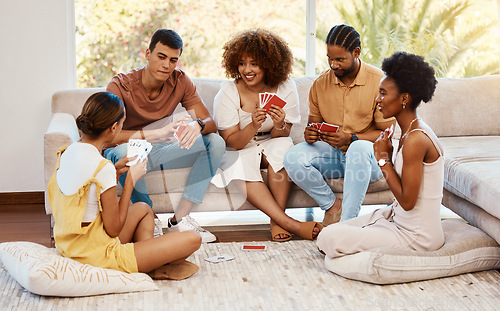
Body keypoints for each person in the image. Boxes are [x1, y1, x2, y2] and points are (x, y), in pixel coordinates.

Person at [48, 92, 202, 280]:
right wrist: (130, 181)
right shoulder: (101, 167)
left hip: (71, 245)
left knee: (143, 209)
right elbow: (113, 229)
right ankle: (145, 267)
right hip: (95, 255)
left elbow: (85, 190)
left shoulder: (66, 152)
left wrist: (116, 171)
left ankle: (147, 261)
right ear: (114, 128)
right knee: (194, 239)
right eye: (122, 124)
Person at [317, 51, 445, 258]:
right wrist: (389, 155)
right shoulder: (410, 131)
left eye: (383, 93)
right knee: (330, 233)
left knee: (328, 239)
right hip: (400, 220)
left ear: (404, 98)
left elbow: (407, 201)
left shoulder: (416, 139)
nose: (377, 99)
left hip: (417, 237)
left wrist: (383, 159)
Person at [104, 29, 226, 243]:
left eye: (173, 60)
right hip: (130, 151)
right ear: (147, 53)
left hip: (162, 150)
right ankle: (149, 219)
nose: (166, 65)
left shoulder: (180, 81)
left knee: (214, 142)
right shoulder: (120, 85)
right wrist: (154, 134)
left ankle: (180, 220)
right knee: (126, 152)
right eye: (161, 57)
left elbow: (211, 123)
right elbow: (107, 137)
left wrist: (198, 125)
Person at [211, 29, 322, 241]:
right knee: (238, 162)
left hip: (273, 141)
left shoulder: (285, 86)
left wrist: (280, 123)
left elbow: (283, 134)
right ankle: (290, 223)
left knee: (283, 149)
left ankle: (276, 222)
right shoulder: (228, 92)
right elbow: (231, 143)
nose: (247, 70)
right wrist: (252, 125)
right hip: (241, 147)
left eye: (254, 63)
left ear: (269, 63)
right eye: (242, 63)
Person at [283, 24, 395, 226]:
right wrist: (311, 134)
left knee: (358, 147)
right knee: (292, 157)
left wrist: (352, 138)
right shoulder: (320, 84)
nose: (333, 65)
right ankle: (332, 206)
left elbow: (385, 133)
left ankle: (347, 223)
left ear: (356, 52)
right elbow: (313, 126)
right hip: (334, 157)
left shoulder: (379, 81)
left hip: (368, 159)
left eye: (340, 59)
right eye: (330, 58)